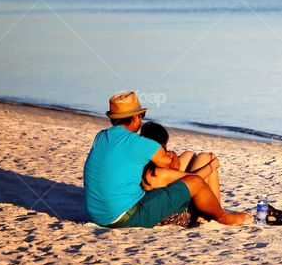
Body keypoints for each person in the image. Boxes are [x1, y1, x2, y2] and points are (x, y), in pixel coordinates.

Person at [83, 91, 250, 228]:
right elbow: (169, 165)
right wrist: (171, 157)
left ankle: (212, 211)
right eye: (142, 115)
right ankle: (223, 217)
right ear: (135, 118)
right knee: (194, 182)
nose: (141, 119)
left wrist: (169, 156)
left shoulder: (101, 137)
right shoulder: (139, 143)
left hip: (99, 215)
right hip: (125, 215)